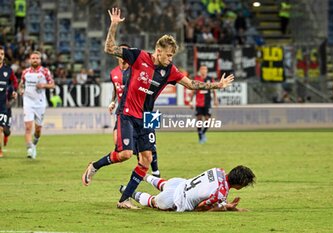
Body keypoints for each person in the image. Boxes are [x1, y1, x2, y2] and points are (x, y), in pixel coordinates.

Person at [82, 7, 234, 209]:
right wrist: (114, 25)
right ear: (158, 50)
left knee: (147, 158)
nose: (171, 58)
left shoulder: (170, 70)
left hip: (146, 117)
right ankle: (94, 166)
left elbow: (191, 84)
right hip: (127, 112)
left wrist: (217, 85)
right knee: (125, 154)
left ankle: (124, 199)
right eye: (169, 55)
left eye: (172, 55)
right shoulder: (138, 56)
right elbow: (110, 48)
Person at [107, 43, 161, 177]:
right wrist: (112, 101)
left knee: (151, 144)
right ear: (117, 55)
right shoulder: (113, 73)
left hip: (147, 110)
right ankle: (143, 166)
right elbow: (116, 88)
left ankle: (156, 172)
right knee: (118, 143)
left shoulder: (137, 68)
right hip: (125, 111)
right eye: (122, 51)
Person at [120, 165, 255, 212]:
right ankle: (127, 190)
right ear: (239, 184)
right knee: (154, 202)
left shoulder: (218, 170)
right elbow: (200, 207)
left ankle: (142, 174)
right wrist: (221, 209)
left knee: (164, 184)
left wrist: (226, 205)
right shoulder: (220, 194)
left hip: (179, 183)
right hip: (174, 200)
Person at [18, 51, 55, 159]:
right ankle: (29, 149)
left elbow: (52, 85)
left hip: (40, 103)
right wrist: (20, 90)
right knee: (28, 127)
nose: (35, 60)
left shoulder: (45, 71)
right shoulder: (25, 72)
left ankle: (34, 144)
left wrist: (44, 85)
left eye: (37, 58)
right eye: (33, 58)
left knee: (38, 130)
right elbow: (21, 84)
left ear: (40, 60)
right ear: (30, 60)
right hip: (28, 102)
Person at [189, 65, 218, 144]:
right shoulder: (197, 79)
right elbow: (193, 91)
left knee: (208, 119)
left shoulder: (210, 79)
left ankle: (203, 132)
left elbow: (214, 90)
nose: (203, 70)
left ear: (207, 70)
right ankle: (200, 138)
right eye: (202, 69)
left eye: (205, 69)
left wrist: (215, 100)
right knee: (199, 120)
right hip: (199, 103)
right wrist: (190, 102)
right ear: (200, 70)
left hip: (207, 103)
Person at [0, 46, 18, 157]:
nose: (0, 56)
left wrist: (14, 91)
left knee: (6, 130)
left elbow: (15, 82)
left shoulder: (8, 70)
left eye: (2, 54)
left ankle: (6, 136)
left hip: (3, 104)